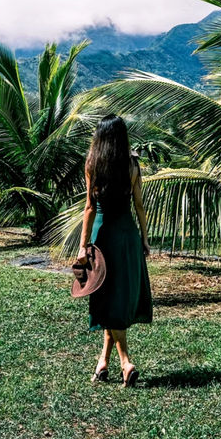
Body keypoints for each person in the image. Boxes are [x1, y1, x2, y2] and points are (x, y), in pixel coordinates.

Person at [77, 114, 152, 387]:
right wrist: (144, 238)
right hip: (127, 235)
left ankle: (125, 362)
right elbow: (140, 205)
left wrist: (83, 246)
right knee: (116, 298)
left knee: (109, 299)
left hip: (102, 236)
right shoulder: (132, 165)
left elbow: (89, 208)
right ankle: (103, 363)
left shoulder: (92, 164)